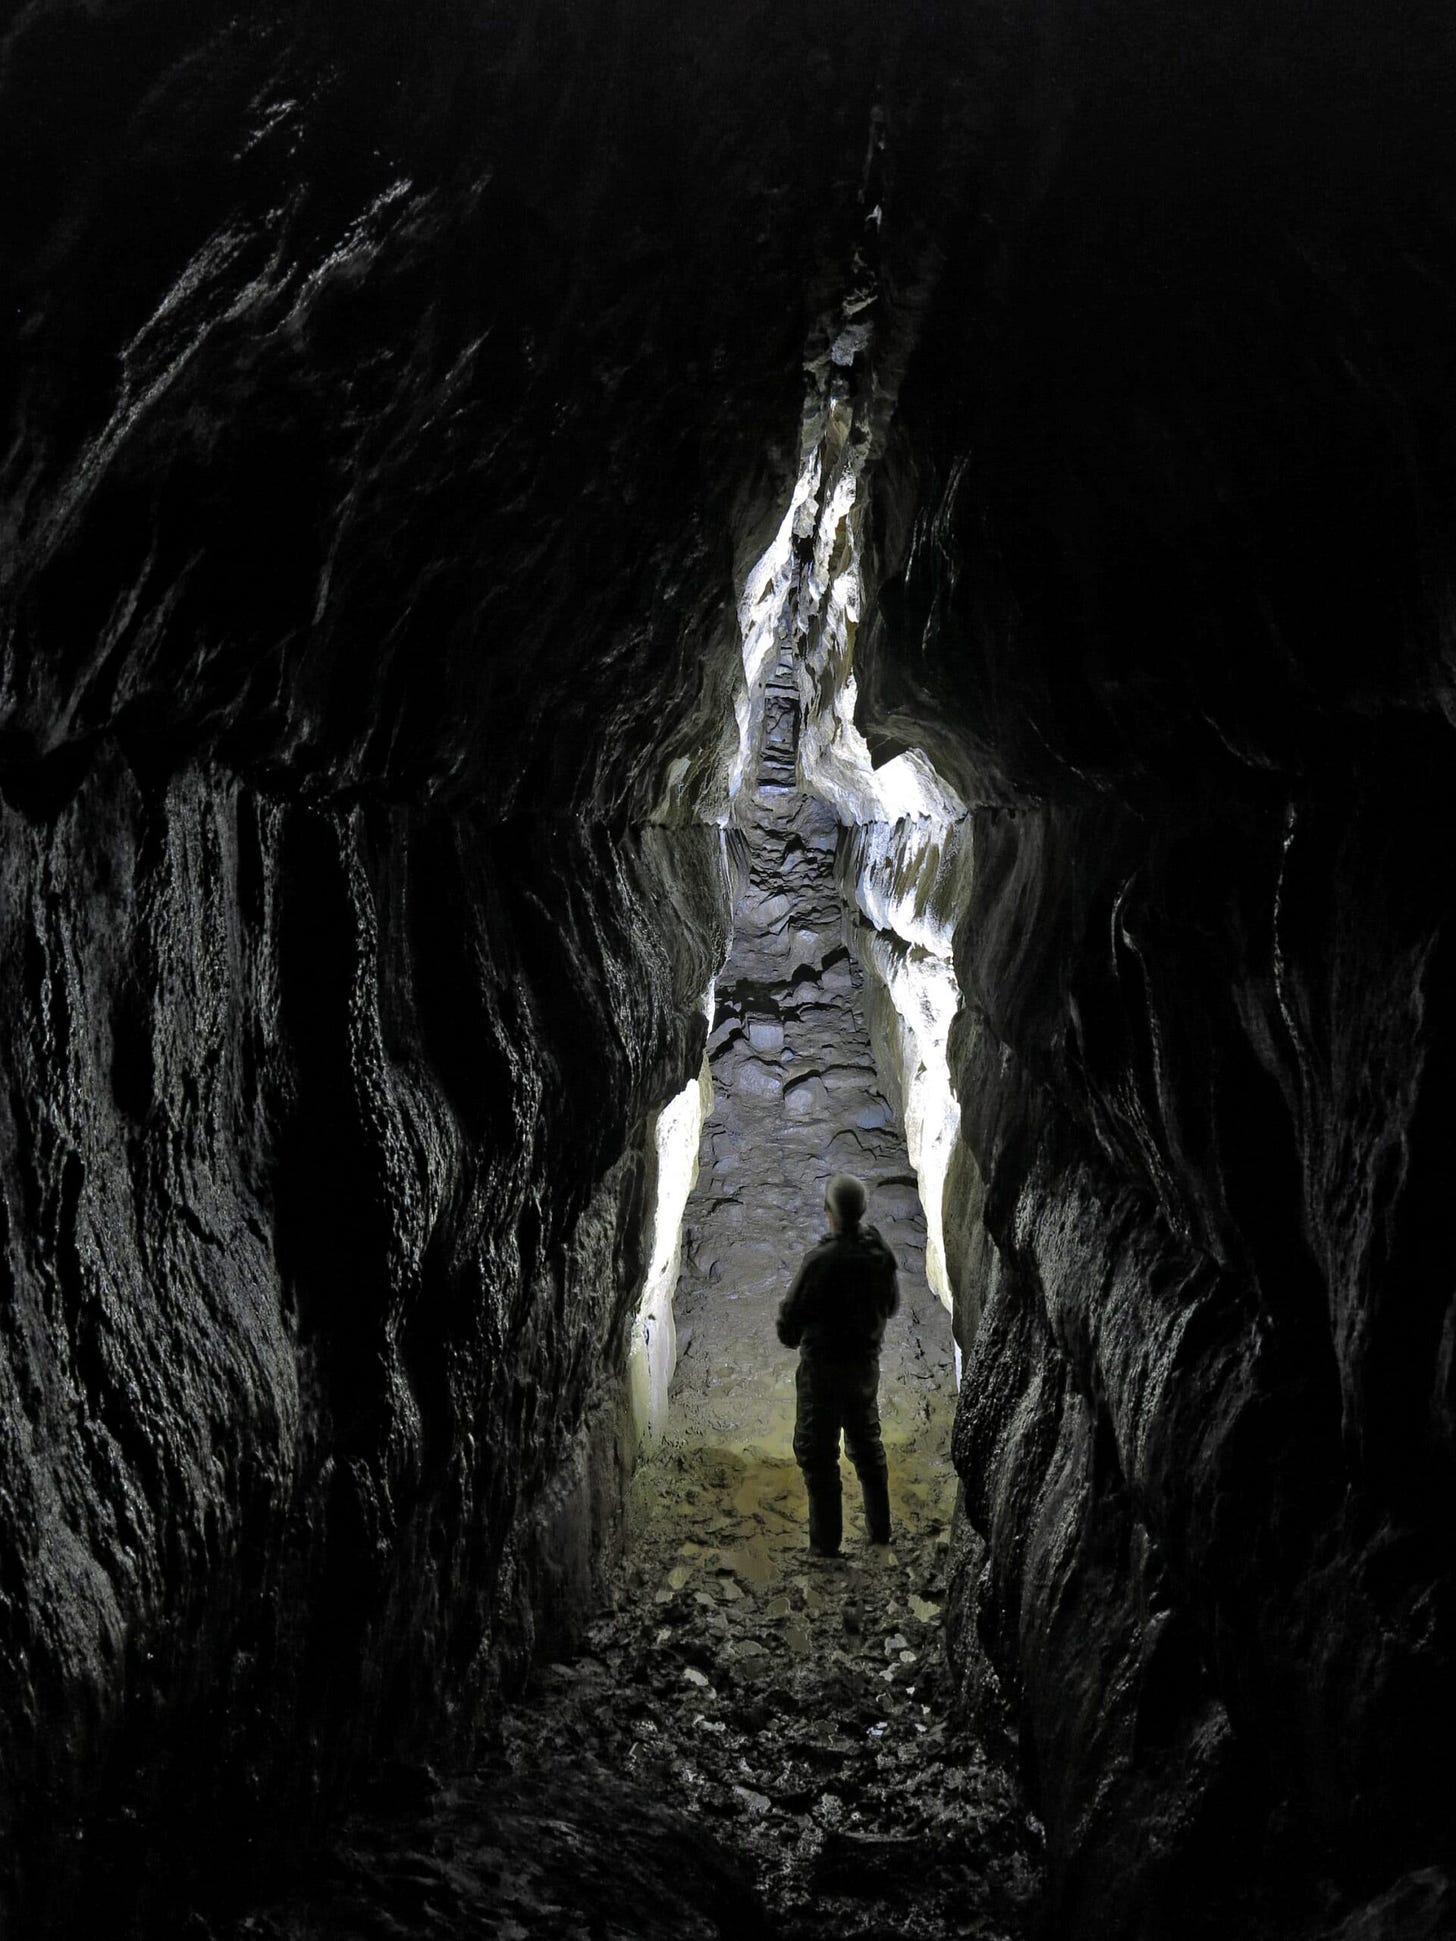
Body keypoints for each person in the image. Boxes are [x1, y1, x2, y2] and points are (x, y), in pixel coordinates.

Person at [776, 1172, 899, 1557]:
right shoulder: (879, 1254)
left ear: (829, 1212)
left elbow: (788, 1327)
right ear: (862, 1211)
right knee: (868, 1448)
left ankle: (826, 1546)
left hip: (822, 1377)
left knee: (819, 1457)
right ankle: (880, 1532)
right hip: (864, 1371)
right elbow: (892, 1306)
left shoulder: (819, 1262)